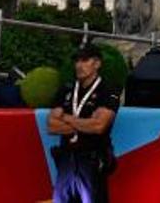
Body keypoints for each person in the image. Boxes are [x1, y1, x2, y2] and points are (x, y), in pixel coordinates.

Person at [47, 44, 119, 203]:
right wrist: (85, 124)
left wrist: (66, 118)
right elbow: (52, 126)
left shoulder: (107, 90)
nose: (79, 65)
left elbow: (99, 126)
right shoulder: (66, 89)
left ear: (97, 64)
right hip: (66, 160)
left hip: (91, 161)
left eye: (85, 60)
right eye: (77, 60)